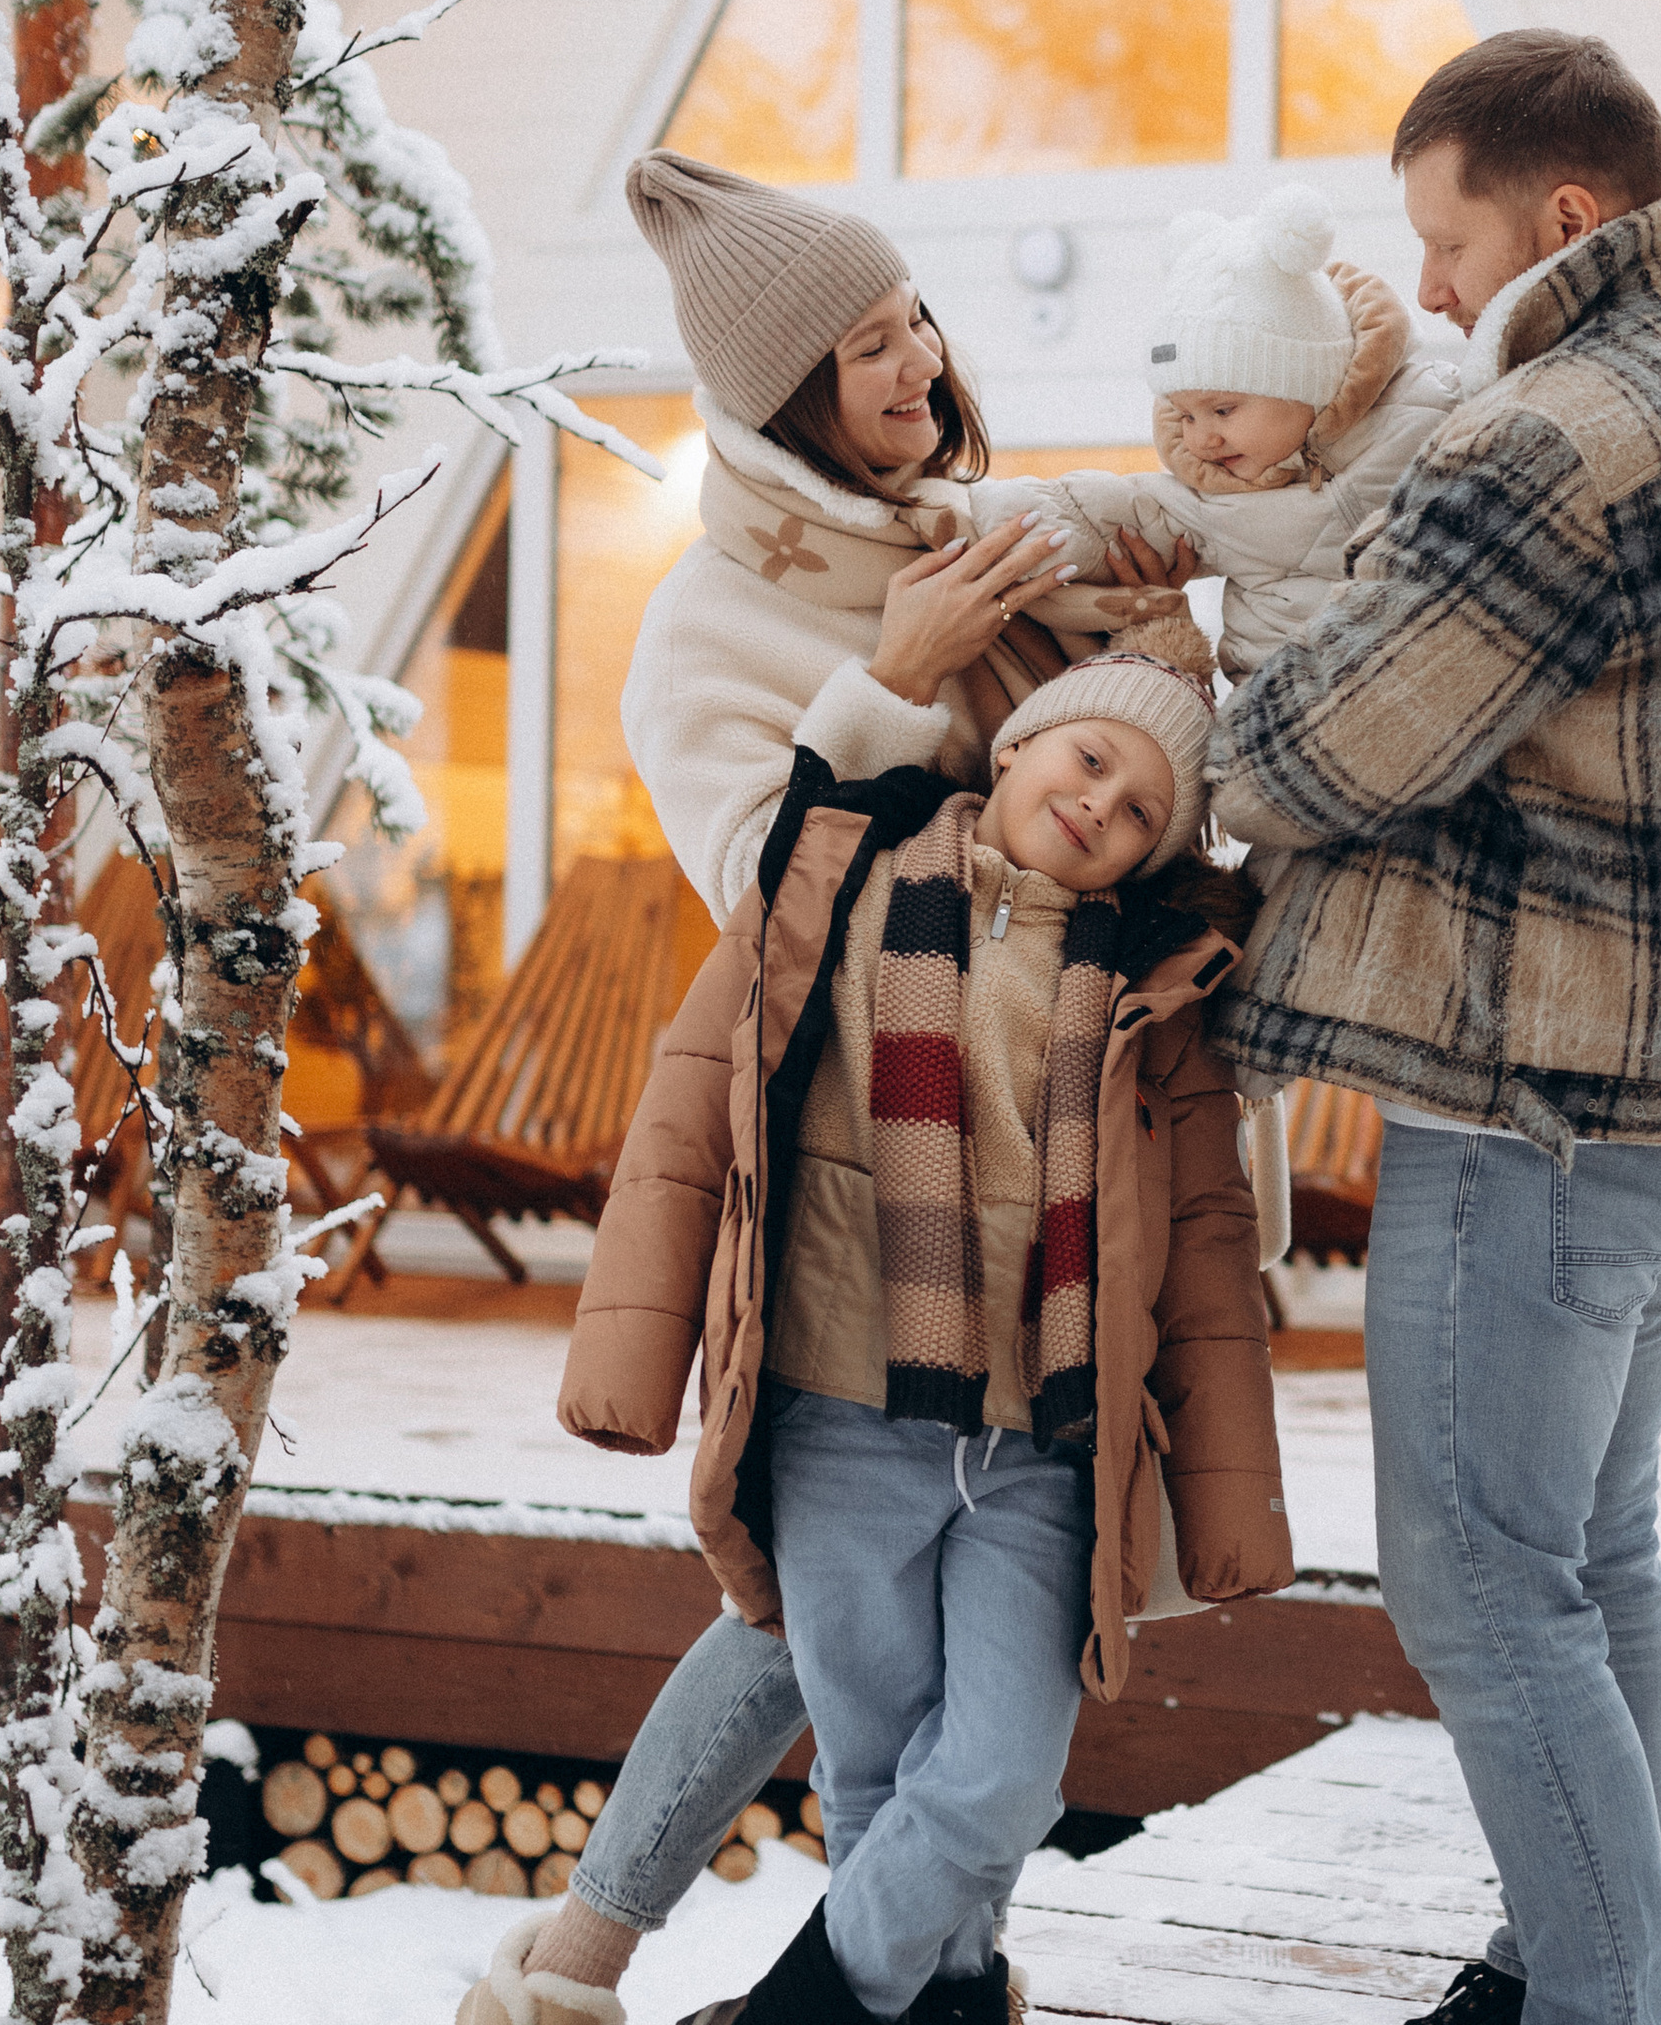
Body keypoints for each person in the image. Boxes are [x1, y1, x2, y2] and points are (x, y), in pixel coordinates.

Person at [1205, 29, 1661, 2025]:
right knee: (1587, 1553)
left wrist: (1155, 715)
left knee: (1481, 1581)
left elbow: (1328, 745)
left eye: (1441, 238)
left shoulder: (1556, 431)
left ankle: (1607, 1995)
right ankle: (1559, 1957)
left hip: (1546, 1101)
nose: (1421, 290)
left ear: (1559, 217)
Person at [458, 616, 1292, 2025]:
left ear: (1158, 857)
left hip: (1041, 1443)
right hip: (842, 1415)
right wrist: (630, 1358)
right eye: (1089, 758)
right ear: (1020, 743)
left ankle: (798, 2011)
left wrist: (1229, 1499)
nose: (1100, 805)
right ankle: (946, 2002)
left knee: (999, 1780)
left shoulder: (1161, 1003)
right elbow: (682, 1123)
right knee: (872, 1772)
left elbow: (1209, 1259)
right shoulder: (827, 885)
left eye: (1143, 810)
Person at [617, 148, 1179, 928]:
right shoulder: (697, 634)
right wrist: (898, 684)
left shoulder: (962, 528)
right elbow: (760, 907)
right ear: (792, 402)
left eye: (914, 317)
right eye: (873, 348)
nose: (925, 358)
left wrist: (1147, 654)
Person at [965, 181, 1458, 682]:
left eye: (1223, 410)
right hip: (1279, 702)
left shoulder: (1425, 408)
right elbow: (1121, 511)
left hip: (1423, 678)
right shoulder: (1209, 500)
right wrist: (1019, 521)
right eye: (1185, 415)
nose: (1202, 440)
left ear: (1310, 383)